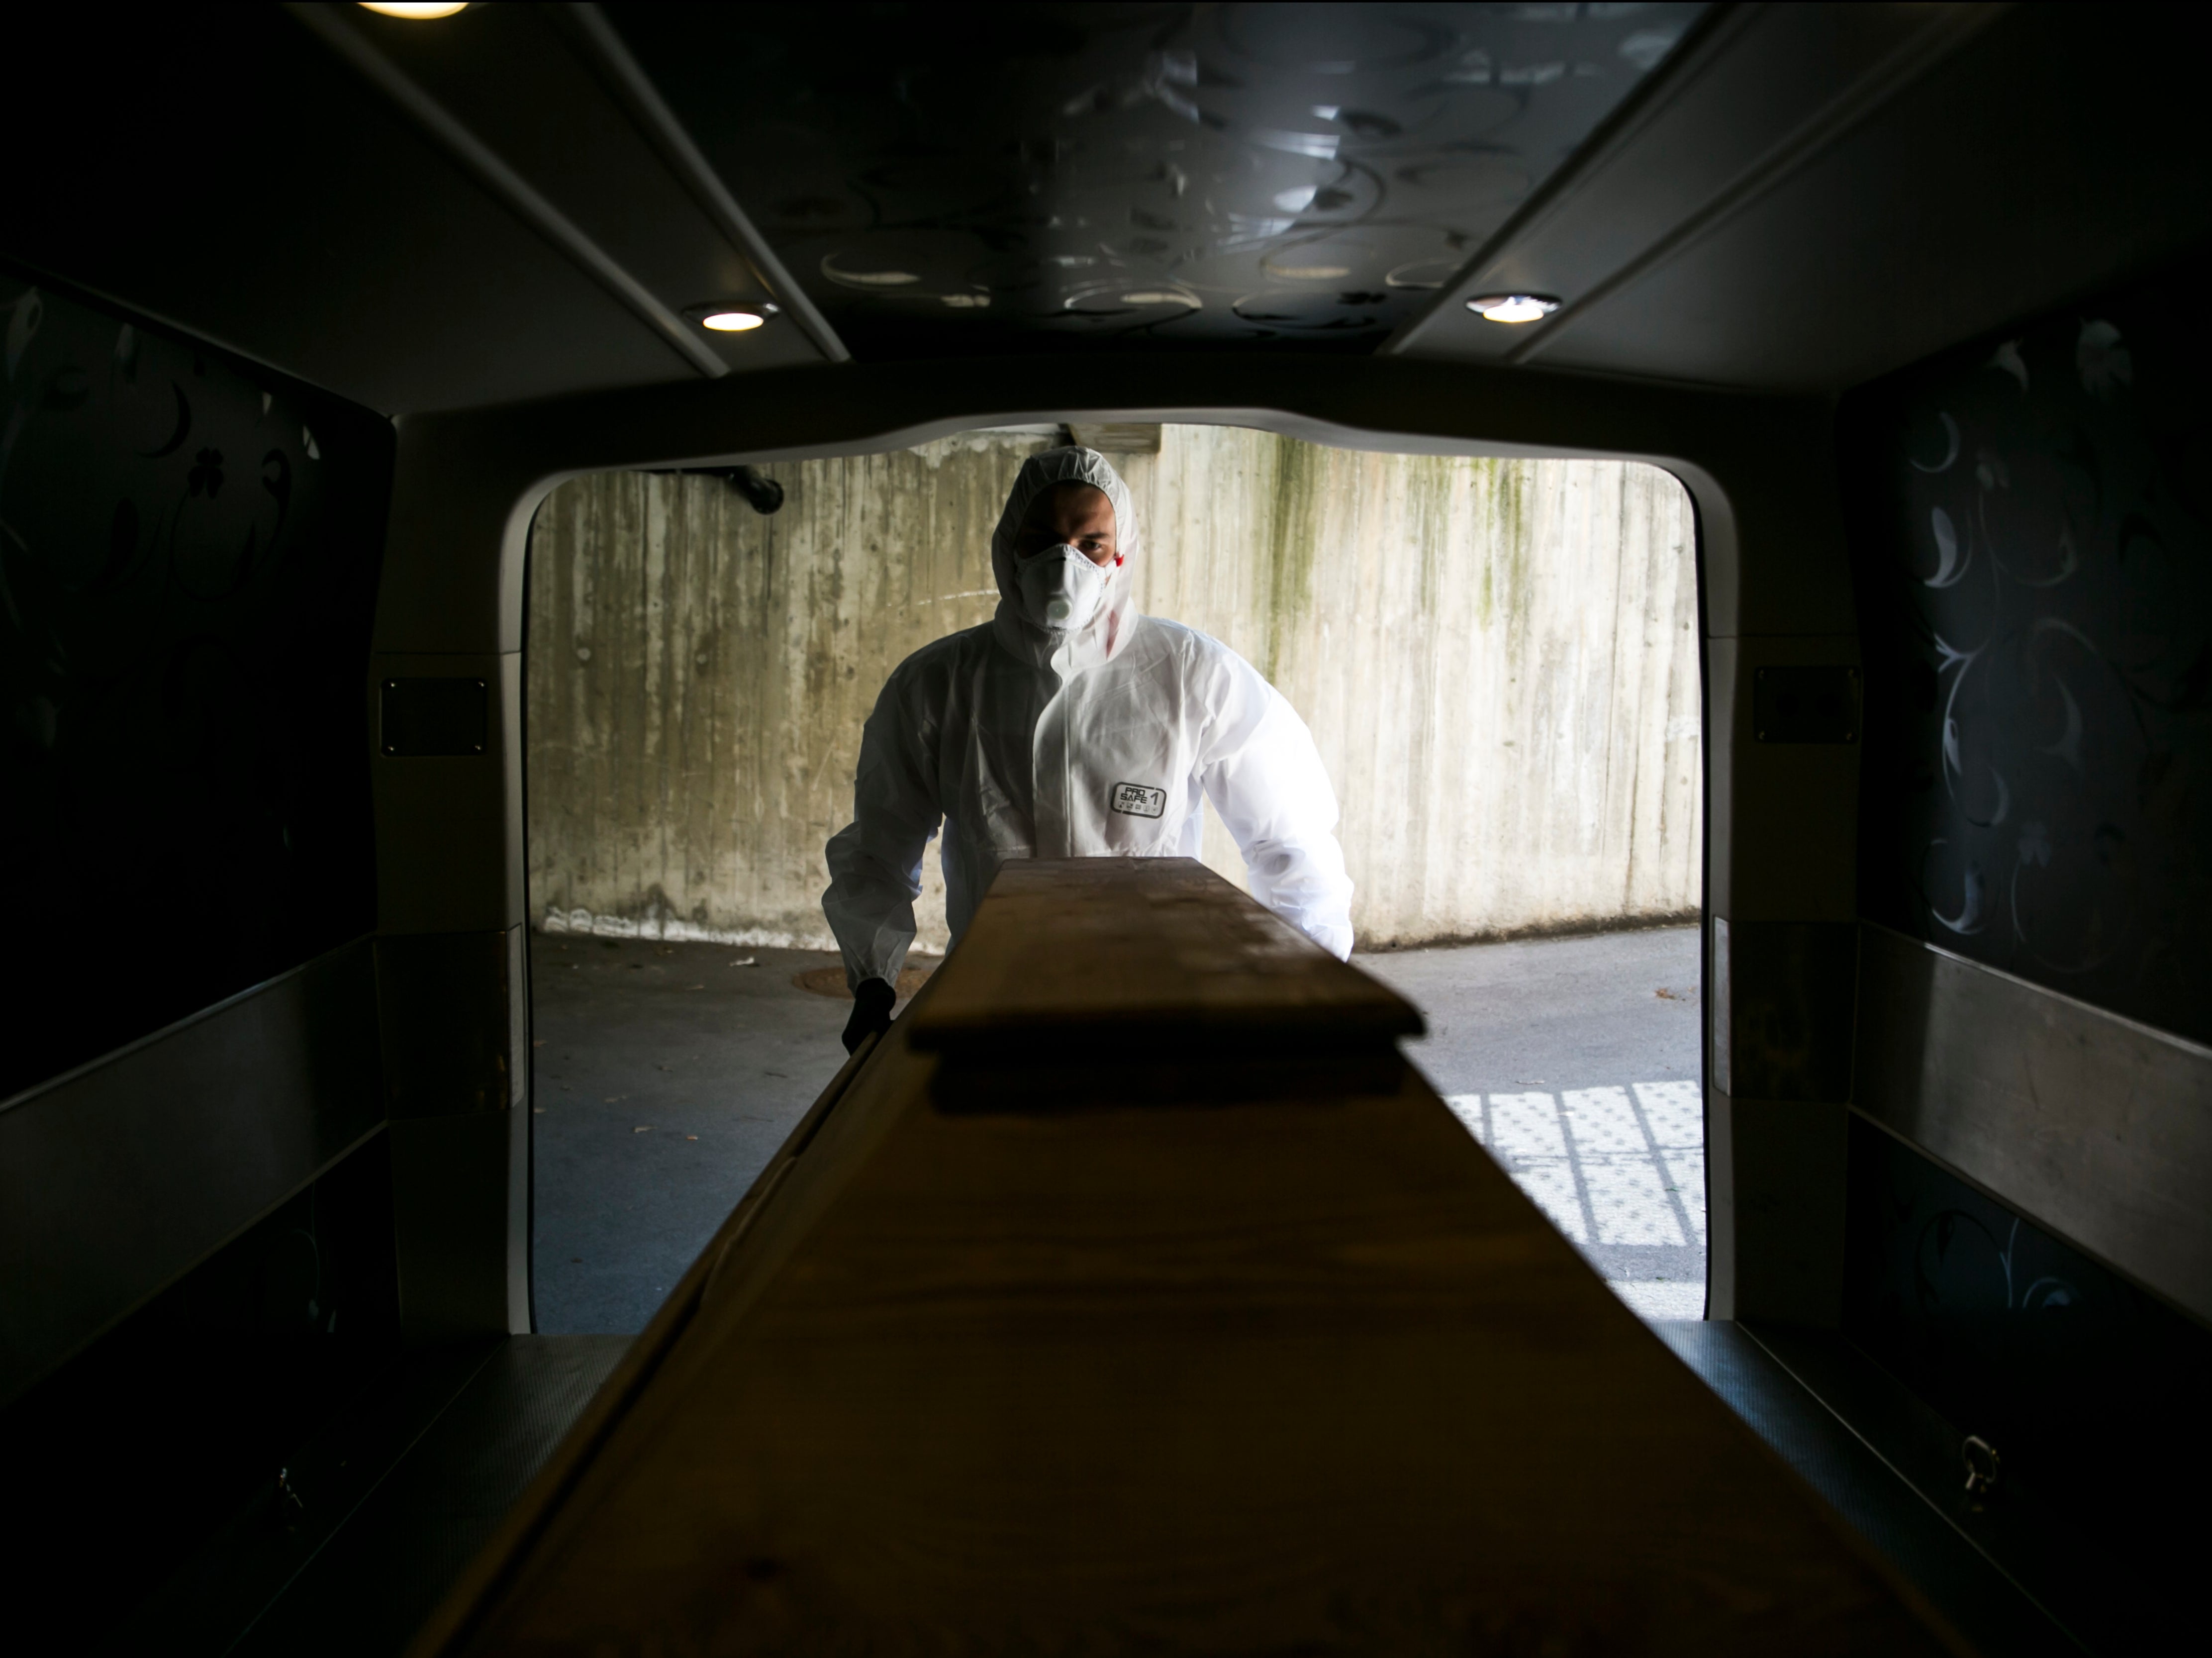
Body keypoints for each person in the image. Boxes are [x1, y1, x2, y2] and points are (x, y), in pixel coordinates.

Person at [822, 445, 1354, 1052]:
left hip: (1151, 1012)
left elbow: (1290, 842)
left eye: (1090, 544)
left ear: (1119, 554)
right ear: (1008, 548)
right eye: (1043, 539)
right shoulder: (937, 685)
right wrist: (872, 981)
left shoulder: (1192, 675)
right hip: (991, 1011)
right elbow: (878, 850)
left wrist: (1307, 985)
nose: (1063, 562)